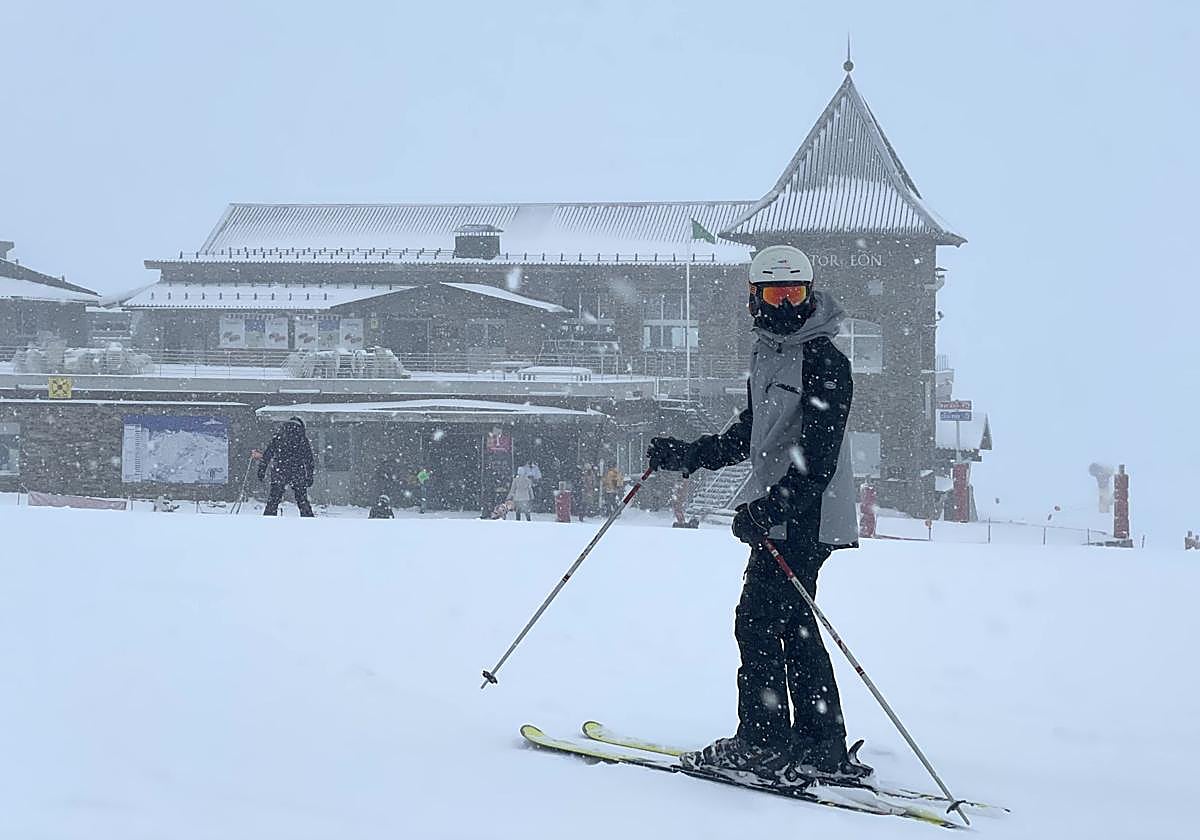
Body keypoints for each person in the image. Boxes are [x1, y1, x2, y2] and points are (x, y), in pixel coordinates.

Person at [645, 245, 864, 786]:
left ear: (810, 294)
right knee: (789, 623)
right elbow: (754, 431)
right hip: (783, 512)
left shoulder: (825, 361)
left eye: (796, 292)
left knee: (761, 620)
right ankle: (817, 743)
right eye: (775, 293)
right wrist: (691, 454)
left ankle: (764, 743)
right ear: (754, 298)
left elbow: (816, 460)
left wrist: (770, 509)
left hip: (808, 516)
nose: (787, 303)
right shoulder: (768, 352)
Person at [257, 416, 315, 517]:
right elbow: (309, 459)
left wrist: (262, 470)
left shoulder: (279, 436)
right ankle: (308, 520)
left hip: (280, 470)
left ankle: (268, 520)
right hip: (297, 470)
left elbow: (267, 454)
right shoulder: (302, 438)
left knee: (273, 499)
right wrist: (309, 476)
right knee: (302, 499)